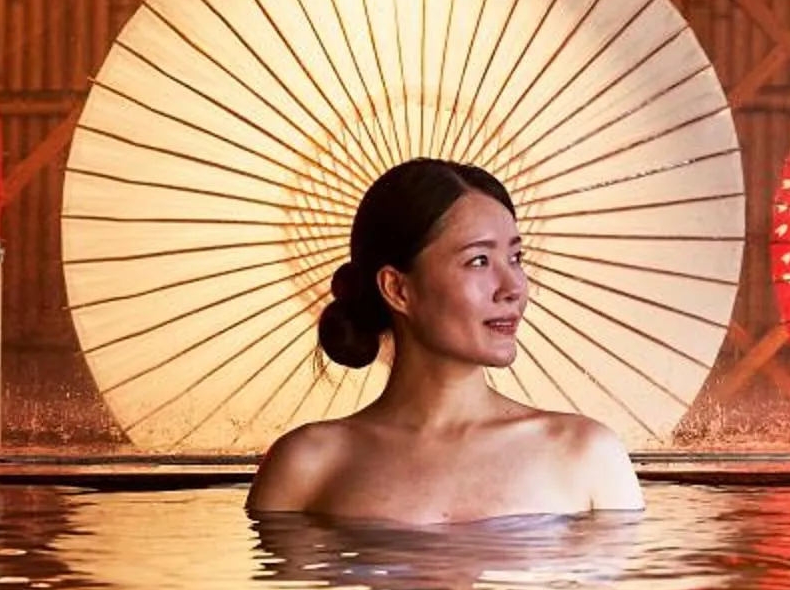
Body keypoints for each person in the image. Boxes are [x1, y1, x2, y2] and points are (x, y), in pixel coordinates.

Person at [247, 158, 645, 523]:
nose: (513, 287)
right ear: (397, 289)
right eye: (479, 261)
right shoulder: (307, 465)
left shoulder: (586, 456)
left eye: (516, 258)